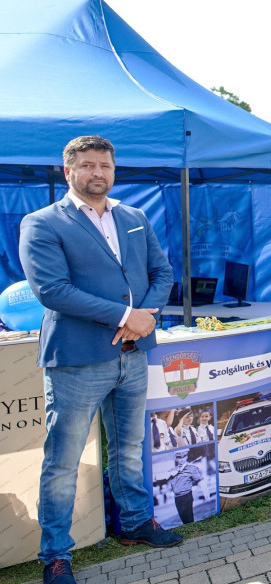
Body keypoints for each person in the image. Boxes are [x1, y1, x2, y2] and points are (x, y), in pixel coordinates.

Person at [19, 136, 182, 584]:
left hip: (132, 357)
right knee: (63, 462)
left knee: (129, 449)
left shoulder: (133, 216)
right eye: (88, 165)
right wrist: (128, 316)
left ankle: (134, 523)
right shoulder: (41, 223)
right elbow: (52, 290)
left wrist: (144, 318)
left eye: (105, 165)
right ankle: (55, 554)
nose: (98, 173)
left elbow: (162, 271)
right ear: (67, 170)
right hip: (77, 360)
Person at [153, 450, 202, 525]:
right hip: (177, 497)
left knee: (189, 519)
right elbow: (157, 477)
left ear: (187, 457)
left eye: (184, 456)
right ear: (176, 459)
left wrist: (205, 491)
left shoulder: (191, 468)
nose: (182, 459)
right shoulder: (173, 470)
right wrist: (171, 473)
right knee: (183, 519)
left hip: (187, 495)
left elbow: (199, 480)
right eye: (179, 457)